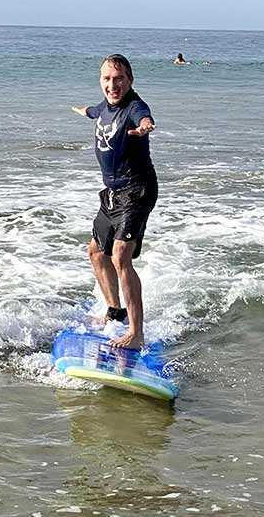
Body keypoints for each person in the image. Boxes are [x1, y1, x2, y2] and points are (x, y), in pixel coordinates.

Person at [71, 54, 157, 349]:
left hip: (137, 190)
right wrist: (82, 110)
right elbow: (94, 111)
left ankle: (136, 333)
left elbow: (144, 116)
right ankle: (115, 311)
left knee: (120, 256)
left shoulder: (134, 107)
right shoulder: (104, 108)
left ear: (130, 81)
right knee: (95, 251)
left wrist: (145, 125)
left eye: (119, 79)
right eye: (107, 79)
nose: (113, 84)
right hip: (112, 193)